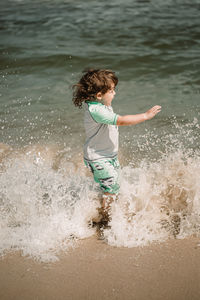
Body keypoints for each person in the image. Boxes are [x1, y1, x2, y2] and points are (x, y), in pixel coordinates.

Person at [72, 68, 161, 229]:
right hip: (98, 158)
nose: (115, 94)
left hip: (107, 156)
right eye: (111, 91)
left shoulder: (99, 105)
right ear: (99, 95)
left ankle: (102, 211)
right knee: (112, 185)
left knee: (113, 185)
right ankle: (107, 219)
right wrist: (145, 116)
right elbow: (121, 121)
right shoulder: (96, 110)